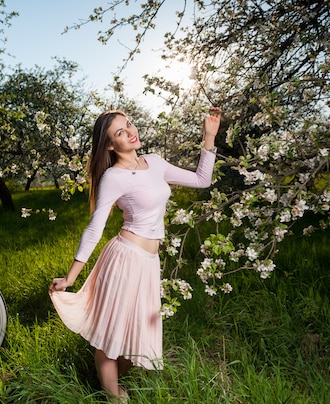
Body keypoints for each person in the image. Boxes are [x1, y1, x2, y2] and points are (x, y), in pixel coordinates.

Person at [49, 107, 222, 401]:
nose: (131, 132)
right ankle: (114, 396)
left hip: (149, 264)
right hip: (124, 259)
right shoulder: (113, 178)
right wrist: (70, 277)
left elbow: (201, 180)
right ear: (109, 145)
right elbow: (94, 229)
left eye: (129, 125)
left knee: (134, 336)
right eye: (120, 132)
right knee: (110, 334)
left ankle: (111, 381)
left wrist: (209, 137)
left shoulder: (155, 163)